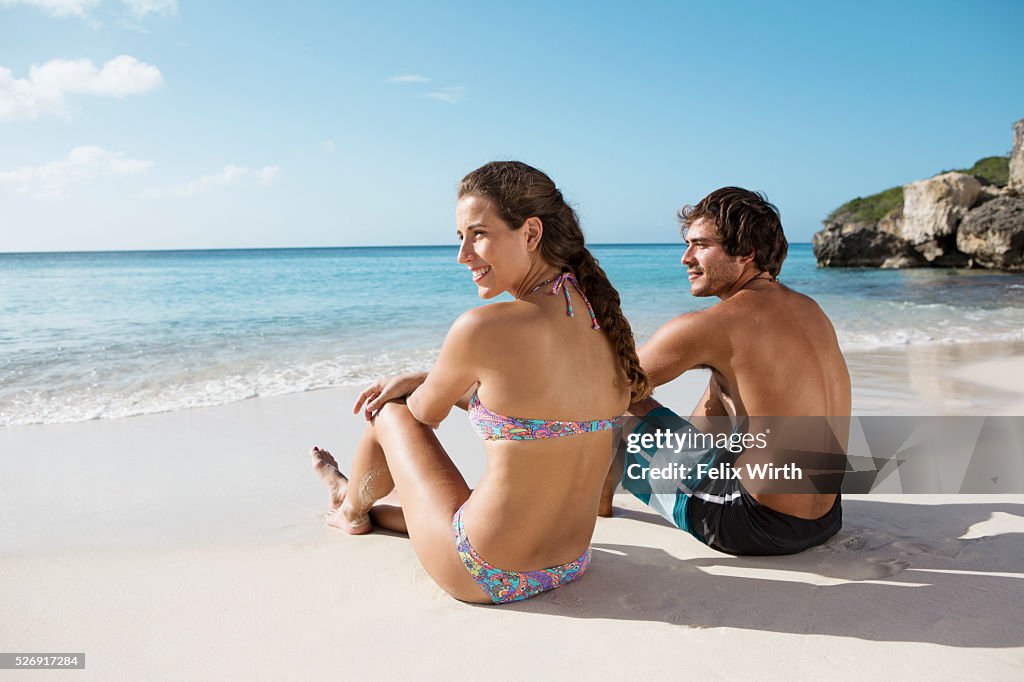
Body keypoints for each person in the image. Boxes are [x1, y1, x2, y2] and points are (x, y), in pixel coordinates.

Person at [311, 161, 650, 604]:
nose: (463, 255)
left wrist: (419, 384)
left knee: (388, 409)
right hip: (569, 563)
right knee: (477, 492)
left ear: (530, 234)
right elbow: (530, 403)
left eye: (479, 234)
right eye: (460, 238)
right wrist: (434, 377)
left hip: (483, 571)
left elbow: (422, 415)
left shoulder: (482, 329)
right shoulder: (602, 321)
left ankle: (350, 509)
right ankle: (355, 497)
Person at [600, 187, 850, 555]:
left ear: (745, 251)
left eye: (700, 245)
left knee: (618, 407)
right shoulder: (809, 309)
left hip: (752, 524)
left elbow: (601, 387)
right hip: (826, 518)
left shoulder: (711, 326)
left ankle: (596, 506)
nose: (685, 258)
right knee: (720, 383)